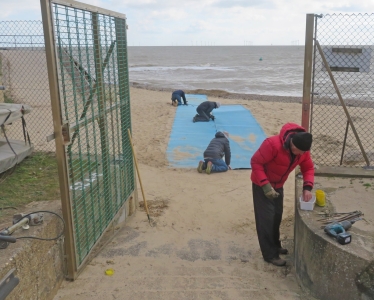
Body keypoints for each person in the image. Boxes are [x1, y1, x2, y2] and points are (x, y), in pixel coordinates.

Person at [250, 123, 314, 267]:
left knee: (276, 216)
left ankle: (276, 246)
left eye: (303, 152)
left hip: (278, 185)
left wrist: (307, 187)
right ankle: (270, 255)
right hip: (262, 185)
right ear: (292, 144)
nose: (301, 155)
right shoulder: (272, 144)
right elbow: (255, 162)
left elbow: (308, 167)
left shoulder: (303, 150)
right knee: (266, 219)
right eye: (298, 151)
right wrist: (265, 185)